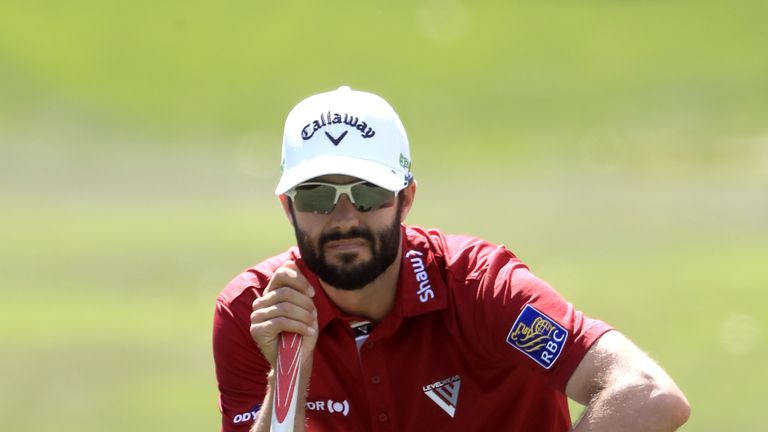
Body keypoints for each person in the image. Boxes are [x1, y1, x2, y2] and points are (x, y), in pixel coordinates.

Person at [212, 86, 690, 432]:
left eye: (368, 193)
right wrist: (288, 379)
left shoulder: (484, 289)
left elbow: (647, 396)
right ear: (287, 205)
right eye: (316, 196)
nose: (344, 219)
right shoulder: (254, 312)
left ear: (406, 199)